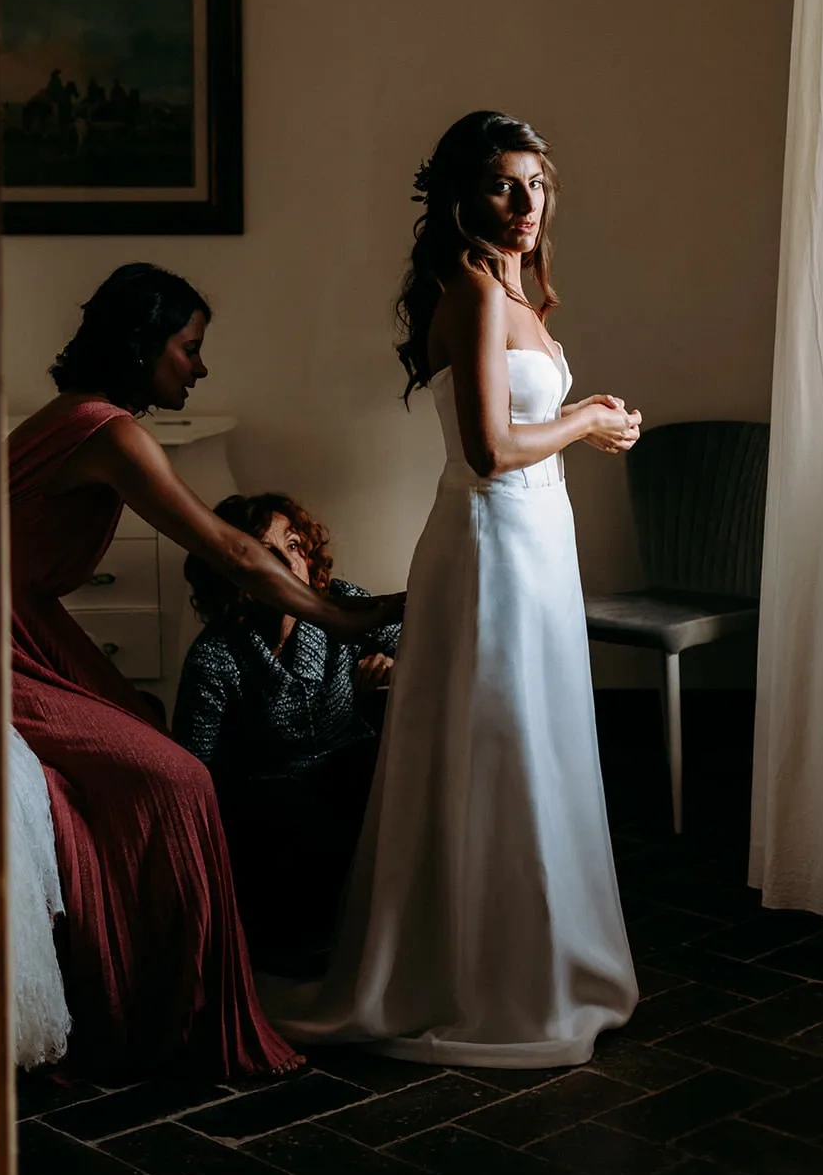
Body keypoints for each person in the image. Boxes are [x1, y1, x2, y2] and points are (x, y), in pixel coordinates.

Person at [262, 111, 640, 1067]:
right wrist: (584, 418)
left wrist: (586, 424)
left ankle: (541, 960)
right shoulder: (470, 289)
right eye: (505, 187)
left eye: (537, 186)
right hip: (490, 545)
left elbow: (525, 434)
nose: (525, 205)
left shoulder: (515, 289)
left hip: (537, 540)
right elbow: (487, 450)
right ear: (461, 200)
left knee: (535, 743)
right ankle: (476, 976)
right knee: (492, 744)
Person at [8, 262, 402, 1080]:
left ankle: (141, 973)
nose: (200, 365)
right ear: (143, 347)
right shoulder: (106, 430)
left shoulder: (78, 417)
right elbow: (229, 552)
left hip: (23, 619)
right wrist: (353, 614)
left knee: (148, 739)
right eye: (188, 348)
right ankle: (179, 1016)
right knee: (181, 779)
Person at [173, 493, 399, 970]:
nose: (287, 561)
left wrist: (394, 665)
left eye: (294, 544)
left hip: (353, 776)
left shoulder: (344, 604)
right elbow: (195, 769)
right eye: (264, 552)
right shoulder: (216, 656)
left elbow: (423, 641)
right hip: (269, 810)